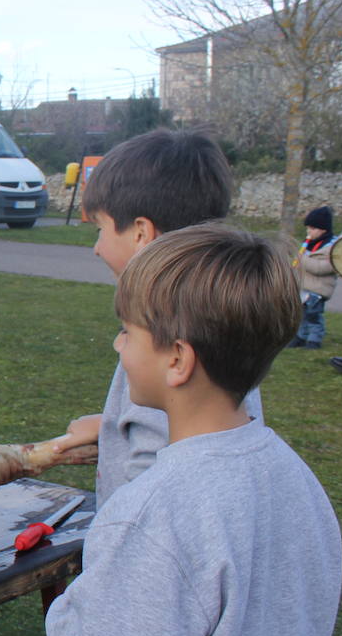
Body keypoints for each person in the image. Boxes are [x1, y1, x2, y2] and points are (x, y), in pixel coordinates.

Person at [46, 223, 342, 636]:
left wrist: (69, 609)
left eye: (126, 333)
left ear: (178, 360)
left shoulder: (155, 514)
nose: (117, 346)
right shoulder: (297, 481)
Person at [52, 128, 257, 509]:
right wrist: (113, 429)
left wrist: (118, 536)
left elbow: (153, 486)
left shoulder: (160, 337)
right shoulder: (220, 315)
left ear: (142, 234)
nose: (96, 248)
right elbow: (176, 427)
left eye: (100, 228)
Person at [288, 205, 337, 349]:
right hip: (303, 288)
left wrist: (301, 259)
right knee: (301, 316)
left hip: (318, 290)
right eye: (308, 228)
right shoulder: (308, 245)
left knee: (314, 317)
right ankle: (300, 337)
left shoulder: (333, 248)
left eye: (312, 229)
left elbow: (321, 268)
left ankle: (314, 340)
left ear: (323, 230)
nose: (309, 232)